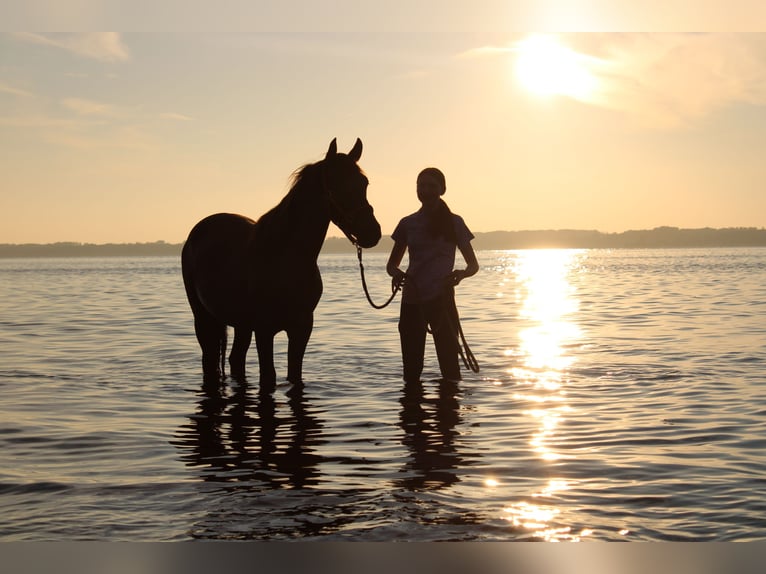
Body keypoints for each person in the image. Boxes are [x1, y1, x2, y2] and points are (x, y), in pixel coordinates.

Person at [386, 167, 479, 383]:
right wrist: (396, 274)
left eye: (431, 186)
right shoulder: (407, 223)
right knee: (411, 372)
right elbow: (391, 265)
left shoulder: (455, 222)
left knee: (450, 371)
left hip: (442, 302)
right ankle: (411, 412)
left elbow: (473, 265)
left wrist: (461, 274)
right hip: (411, 301)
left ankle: (449, 413)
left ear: (442, 190)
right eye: (421, 185)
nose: (425, 190)